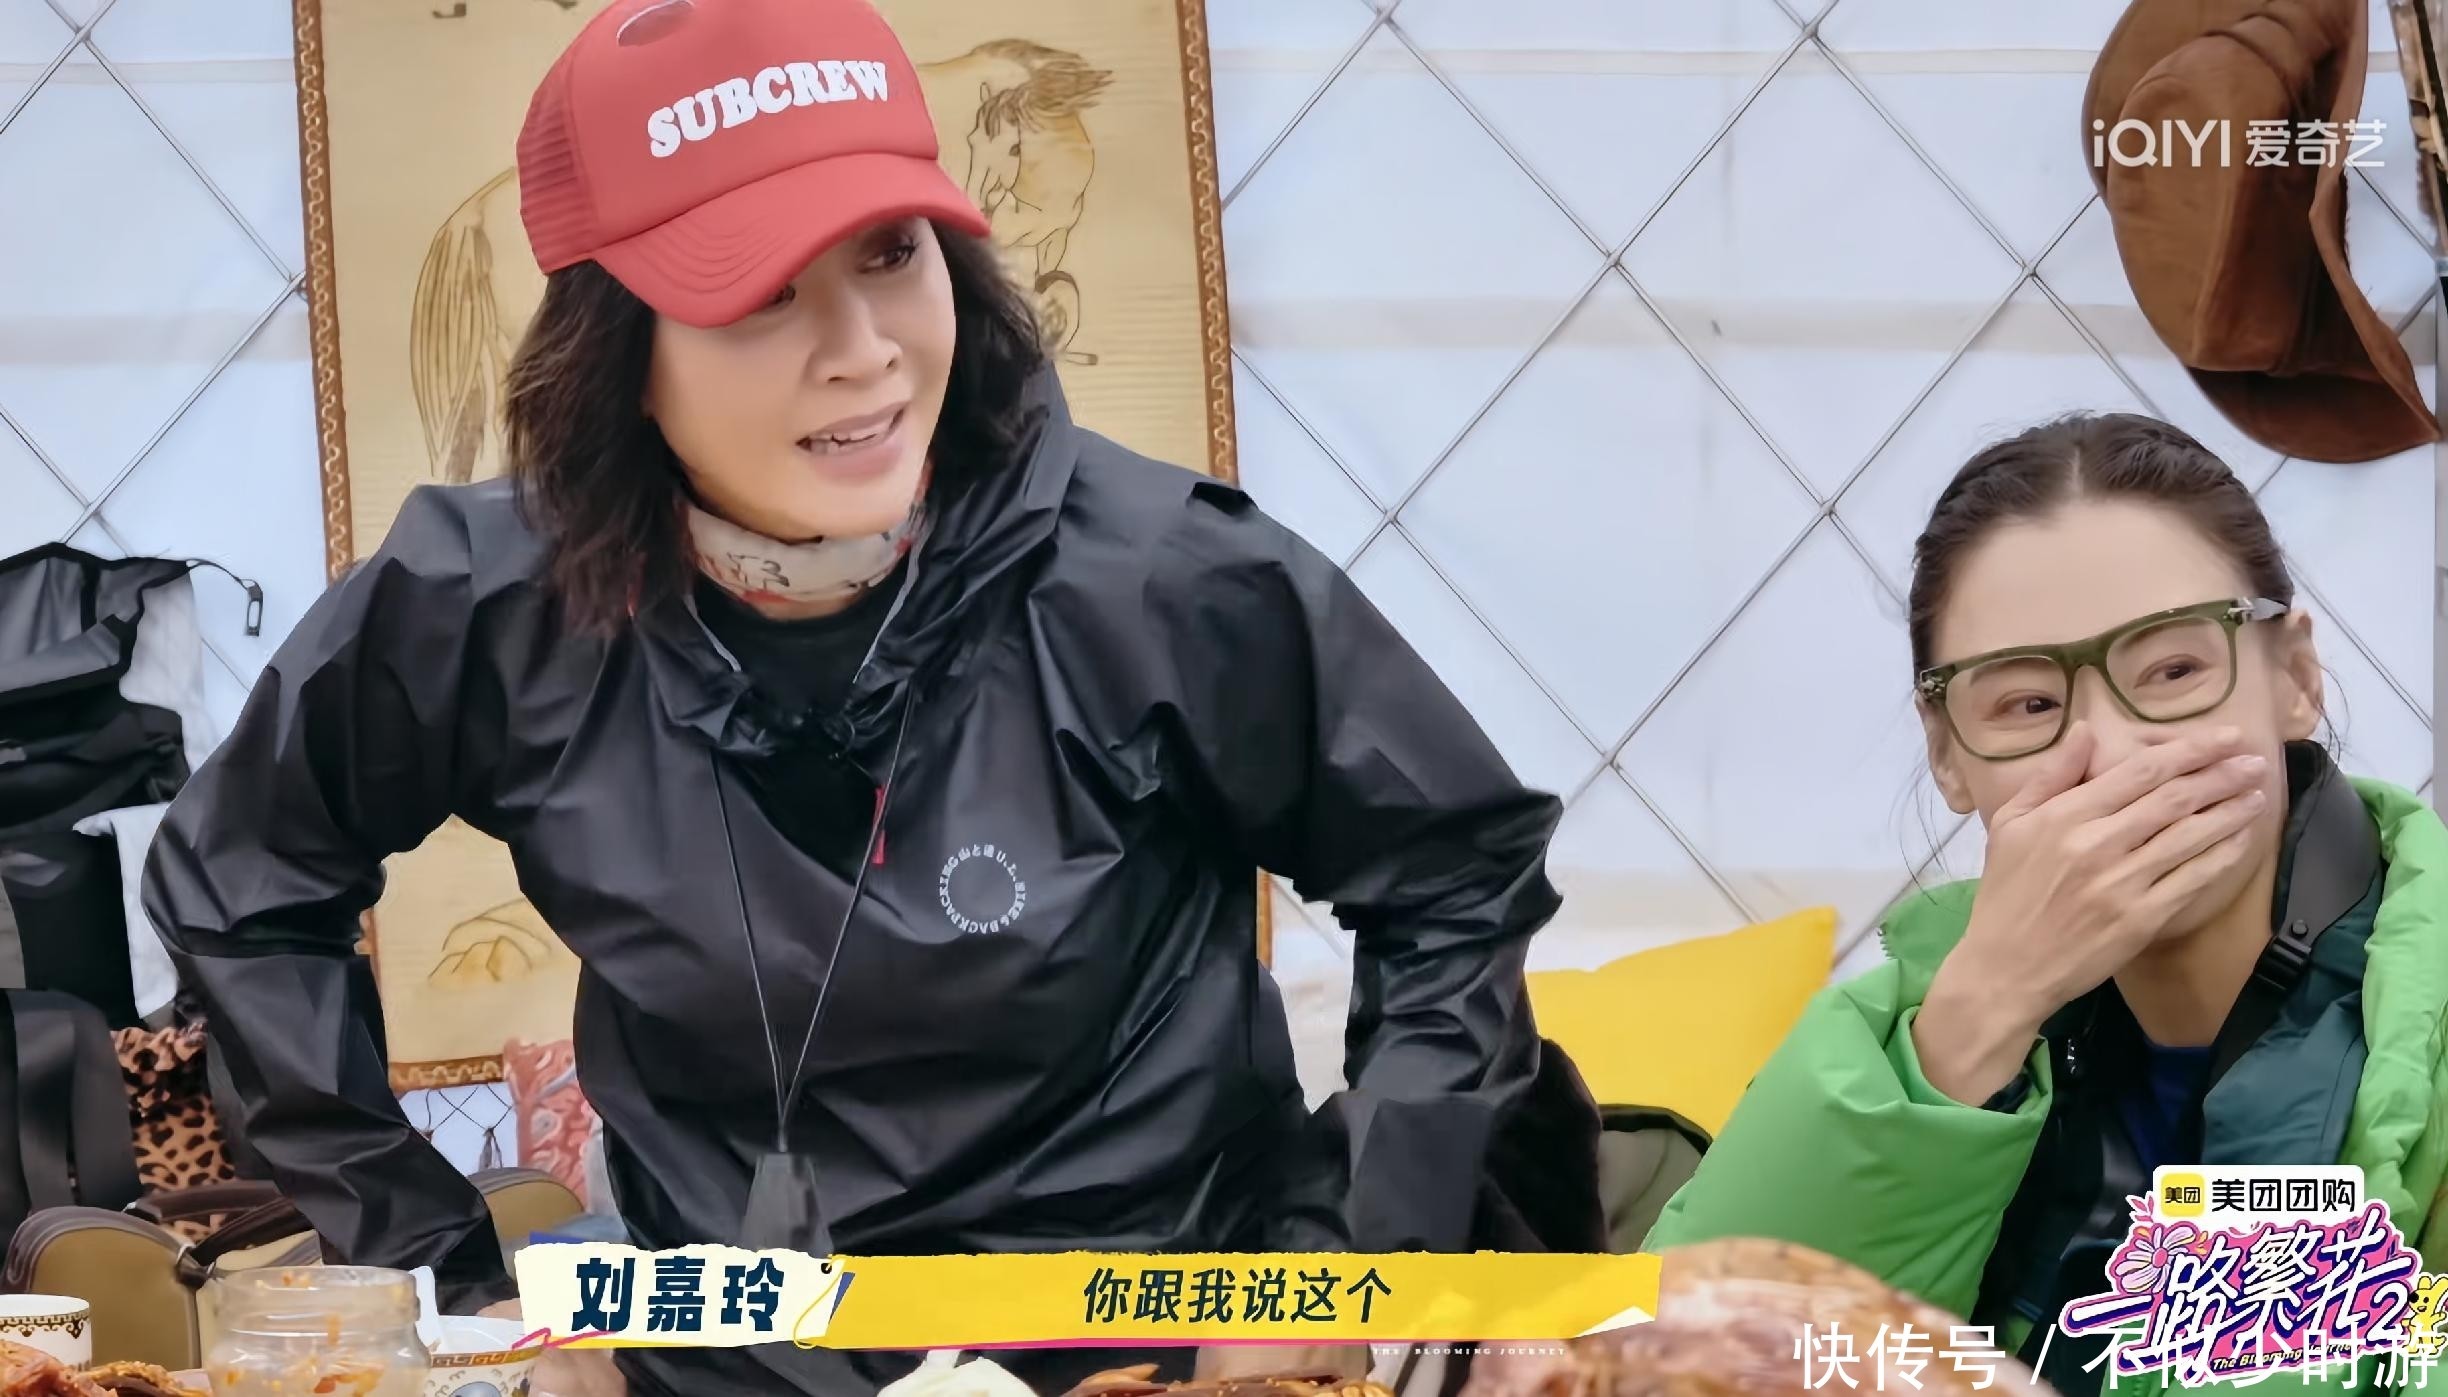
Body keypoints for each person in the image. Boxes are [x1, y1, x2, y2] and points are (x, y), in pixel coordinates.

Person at [140, 0, 1582, 1391]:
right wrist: (451, 1285)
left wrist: (1341, 1261)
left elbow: (1455, 876)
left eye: (893, 253)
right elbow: (242, 885)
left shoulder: (1164, 580)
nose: (864, 349)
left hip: (1148, 1342)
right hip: (720, 1352)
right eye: (761, 293)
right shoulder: (482, 607)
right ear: (617, 352)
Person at [1642, 413, 2448, 1393]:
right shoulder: (1884, 1043)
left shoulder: (2422, 1022)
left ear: (2295, 677)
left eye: (2174, 671)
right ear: (1947, 753)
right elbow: (1663, 1368)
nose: (2107, 753)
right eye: (2028, 703)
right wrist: (1973, 1024)